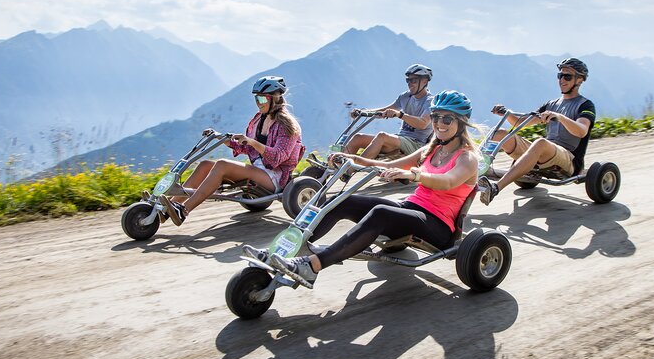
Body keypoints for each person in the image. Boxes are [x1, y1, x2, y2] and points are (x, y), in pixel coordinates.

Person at [244, 90, 479, 288]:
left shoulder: (468, 158)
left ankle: (312, 266)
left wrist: (413, 174)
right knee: (344, 200)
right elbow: (388, 165)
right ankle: (287, 251)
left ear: (461, 123)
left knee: (380, 214)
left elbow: (448, 181)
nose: (438, 123)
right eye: (435, 117)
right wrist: (353, 160)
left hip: (438, 226)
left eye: (447, 119)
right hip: (411, 209)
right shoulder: (433, 148)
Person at [158, 76, 304, 228]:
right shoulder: (259, 120)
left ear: (274, 98)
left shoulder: (288, 126)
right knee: (204, 165)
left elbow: (278, 157)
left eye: (261, 100)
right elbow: (245, 147)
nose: (258, 104)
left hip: (274, 176)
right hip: (258, 171)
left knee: (222, 165)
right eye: (256, 99)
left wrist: (252, 141)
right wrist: (220, 137)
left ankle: (184, 210)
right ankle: (169, 209)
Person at [477, 57, 597, 206]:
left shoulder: (585, 105)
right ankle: (469, 169)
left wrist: (560, 117)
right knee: (499, 133)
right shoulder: (551, 104)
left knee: (540, 143)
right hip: (545, 152)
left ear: (579, 80)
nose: (562, 80)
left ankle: (495, 188)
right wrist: (506, 113)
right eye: (560, 75)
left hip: (569, 159)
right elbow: (521, 122)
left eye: (567, 76)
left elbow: (581, 131)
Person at [343, 64, 434, 159]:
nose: (410, 83)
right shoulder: (405, 96)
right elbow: (386, 110)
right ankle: (340, 169)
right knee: (358, 138)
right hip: (399, 139)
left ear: (425, 81)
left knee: (382, 136)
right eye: (408, 80)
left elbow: (422, 123)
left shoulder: (431, 101)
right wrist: (363, 112)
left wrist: (400, 115)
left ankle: (354, 168)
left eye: (413, 80)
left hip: (416, 144)